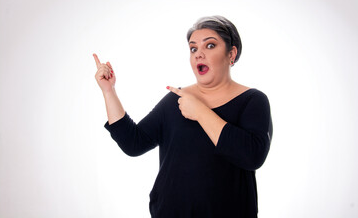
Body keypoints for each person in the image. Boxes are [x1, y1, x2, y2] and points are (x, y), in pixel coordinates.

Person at [94, 15, 273, 218]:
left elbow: (252, 156)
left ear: (231, 54)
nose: (198, 54)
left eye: (210, 46)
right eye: (193, 48)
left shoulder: (253, 100)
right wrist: (109, 92)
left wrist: (200, 112)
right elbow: (133, 143)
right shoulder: (175, 99)